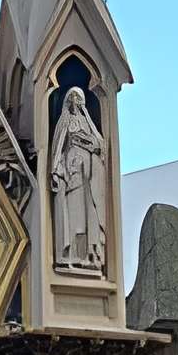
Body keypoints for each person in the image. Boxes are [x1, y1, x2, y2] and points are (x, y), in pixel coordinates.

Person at [50, 85, 107, 271]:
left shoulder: (86, 121)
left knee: (87, 219)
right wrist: (55, 170)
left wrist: (88, 120)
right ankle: (70, 256)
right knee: (74, 220)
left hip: (87, 176)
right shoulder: (65, 120)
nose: (75, 101)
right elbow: (58, 146)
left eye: (78, 97)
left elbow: (99, 144)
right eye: (72, 97)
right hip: (72, 173)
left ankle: (87, 256)